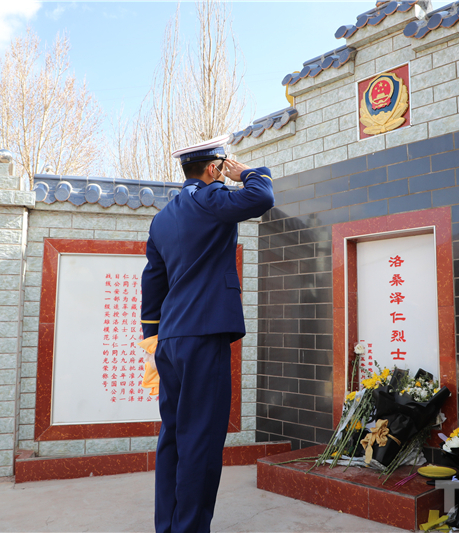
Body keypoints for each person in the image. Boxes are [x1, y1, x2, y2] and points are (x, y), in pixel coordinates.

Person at [140, 135, 274, 533]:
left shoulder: (163, 218)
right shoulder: (211, 198)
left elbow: (153, 282)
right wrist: (248, 173)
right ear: (214, 168)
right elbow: (262, 197)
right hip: (204, 335)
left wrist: (152, 337)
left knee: (173, 436)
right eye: (222, 168)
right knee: (201, 438)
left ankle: (168, 526)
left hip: (170, 340)